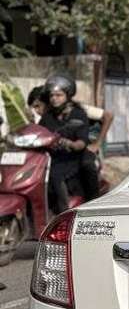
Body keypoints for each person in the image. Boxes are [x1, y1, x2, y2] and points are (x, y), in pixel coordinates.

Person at [30, 82, 112, 201]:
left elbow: (108, 116)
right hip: (63, 150)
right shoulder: (46, 117)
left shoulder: (78, 109)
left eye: (38, 106)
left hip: (86, 143)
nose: (36, 111)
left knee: (87, 166)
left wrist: (97, 144)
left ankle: (93, 202)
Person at [39, 76, 89, 214]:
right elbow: (39, 132)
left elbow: (82, 143)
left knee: (55, 175)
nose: (54, 98)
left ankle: (64, 213)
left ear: (67, 96)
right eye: (52, 95)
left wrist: (70, 143)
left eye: (59, 95)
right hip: (50, 158)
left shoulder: (78, 114)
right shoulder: (47, 116)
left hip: (71, 158)